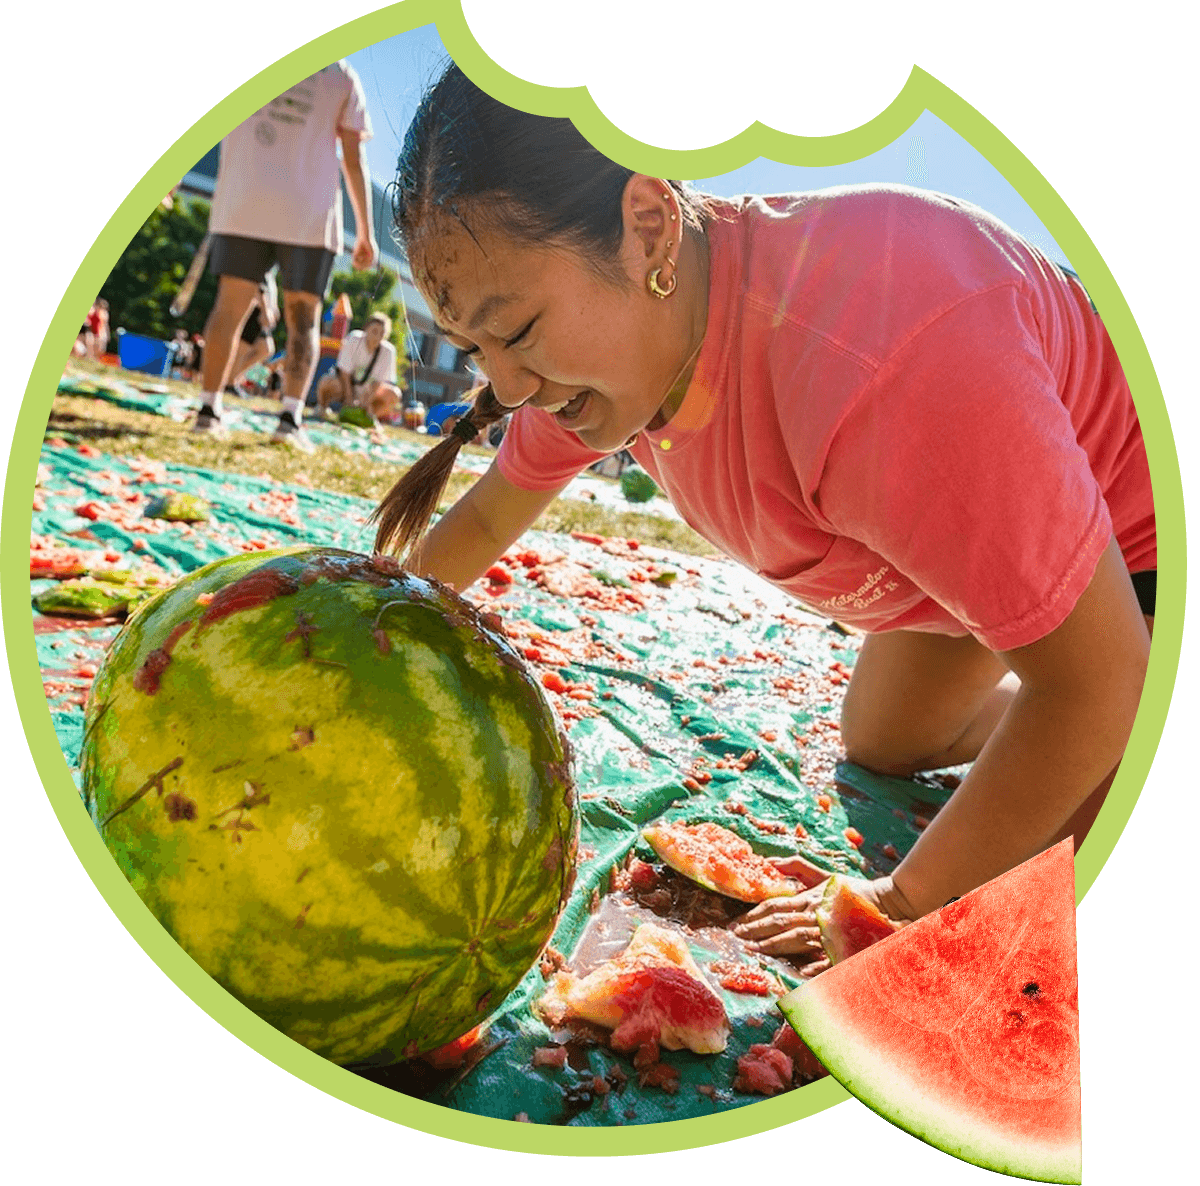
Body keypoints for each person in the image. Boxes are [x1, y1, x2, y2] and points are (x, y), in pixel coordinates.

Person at [366, 66, 1157, 961]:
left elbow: (1103, 679)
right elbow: (477, 526)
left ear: (649, 224)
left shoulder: (878, 356)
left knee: (1047, 889)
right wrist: (364, 651)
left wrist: (897, 900)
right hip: (982, 537)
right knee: (884, 738)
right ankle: (1018, 632)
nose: (505, 386)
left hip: (1131, 573)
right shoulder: (606, 359)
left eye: (515, 334)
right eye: (474, 348)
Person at [192, 60, 378, 449]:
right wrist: (365, 232)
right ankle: (289, 419)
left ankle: (208, 412)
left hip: (244, 200)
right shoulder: (342, 76)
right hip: (307, 212)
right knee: (304, 321)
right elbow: (353, 157)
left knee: (228, 309)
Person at [315, 311, 400, 422]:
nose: (377, 336)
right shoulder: (353, 339)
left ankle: (368, 416)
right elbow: (344, 373)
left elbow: (379, 382)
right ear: (366, 329)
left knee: (394, 394)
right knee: (326, 381)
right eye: (374, 331)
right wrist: (349, 398)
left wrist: (366, 401)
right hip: (345, 386)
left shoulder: (389, 351)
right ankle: (322, 408)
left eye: (382, 333)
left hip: (368, 392)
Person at [225, 270, 280, 395]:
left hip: (262, 311)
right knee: (243, 349)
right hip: (255, 309)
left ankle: (230, 378)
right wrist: (266, 310)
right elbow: (259, 285)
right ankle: (229, 382)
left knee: (266, 349)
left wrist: (274, 307)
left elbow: (270, 285)